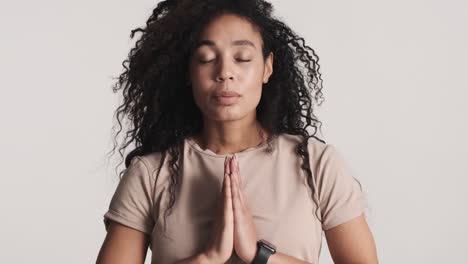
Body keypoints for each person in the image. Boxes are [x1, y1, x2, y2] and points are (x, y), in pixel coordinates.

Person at [96, 0, 378, 263]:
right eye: (206, 58)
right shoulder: (150, 173)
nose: (225, 72)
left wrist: (259, 255)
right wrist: (208, 257)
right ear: (187, 73)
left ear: (267, 68)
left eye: (242, 57)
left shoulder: (317, 164)